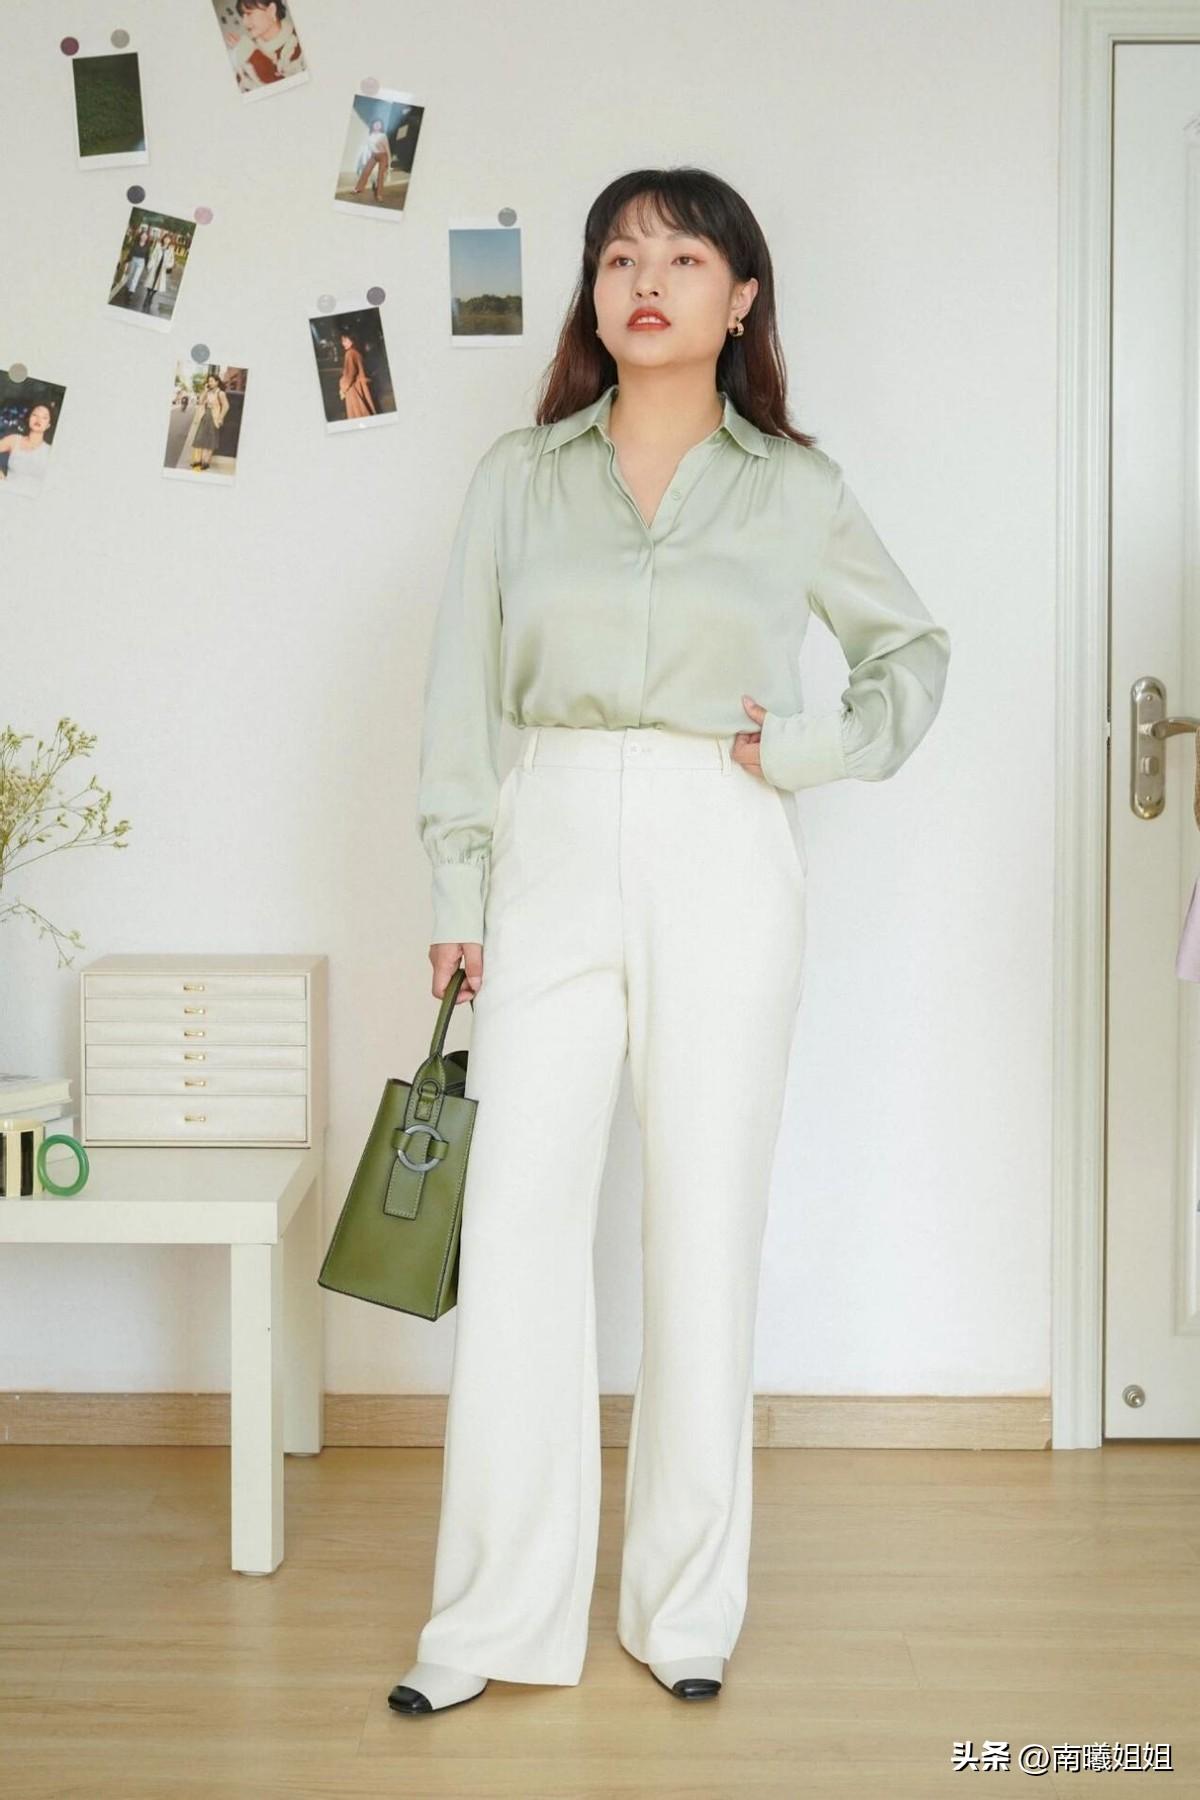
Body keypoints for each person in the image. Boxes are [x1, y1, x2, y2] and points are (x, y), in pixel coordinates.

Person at [395, 167, 952, 1716]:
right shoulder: (519, 478)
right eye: (620, 257)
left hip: (725, 846)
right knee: (517, 1223)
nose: (646, 282)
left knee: (706, 1224)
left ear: (741, 296)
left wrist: (803, 751)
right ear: (593, 294)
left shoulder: (797, 491)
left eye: (683, 257)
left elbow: (912, 653)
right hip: (551, 839)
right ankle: (492, 1619)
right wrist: (456, 894)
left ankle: (684, 1607)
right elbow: (459, 695)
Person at [223, 0, 305, 91]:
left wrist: (253, 55)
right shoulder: (244, 49)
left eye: (249, 13)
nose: (244, 22)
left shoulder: (301, 44)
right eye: (242, 16)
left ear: (271, 10)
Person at [0, 400, 55, 498]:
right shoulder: (14, 440)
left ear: (48, 425)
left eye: (44, 417)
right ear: (28, 418)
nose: (38, 419)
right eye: (35, 415)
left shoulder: (50, 451)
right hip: (7, 495)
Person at [190, 372, 229, 470]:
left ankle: (205, 462)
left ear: (217, 382)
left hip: (214, 418)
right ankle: (197, 461)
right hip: (205, 417)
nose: (209, 383)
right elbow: (200, 402)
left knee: (210, 441)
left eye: (211, 381)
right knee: (199, 439)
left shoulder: (221, 393)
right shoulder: (208, 392)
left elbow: (226, 406)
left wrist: (221, 417)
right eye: (209, 381)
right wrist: (205, 390)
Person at [337, 333, 375, 418]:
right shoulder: (357, 352)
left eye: (345, 340)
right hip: (362, 387)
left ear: (352, 341)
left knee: (358, 414)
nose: (343, 343)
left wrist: (343, 388)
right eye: (342, 341)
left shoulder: (350, 353)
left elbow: (349, 375)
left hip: (355, 390)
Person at [353, 120, 391, 201]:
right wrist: (365, 159)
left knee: (380, 175)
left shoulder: (383, 136)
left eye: (379, 124)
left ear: (381, 126)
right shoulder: (370, 136)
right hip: (374, 155)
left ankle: (379, 195)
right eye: (376, 124)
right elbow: (368, 148)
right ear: (373, 125)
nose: (377, 125)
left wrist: (389, 161)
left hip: (383, 156)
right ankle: (359, 188)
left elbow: (387, 149)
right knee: (366, 171)